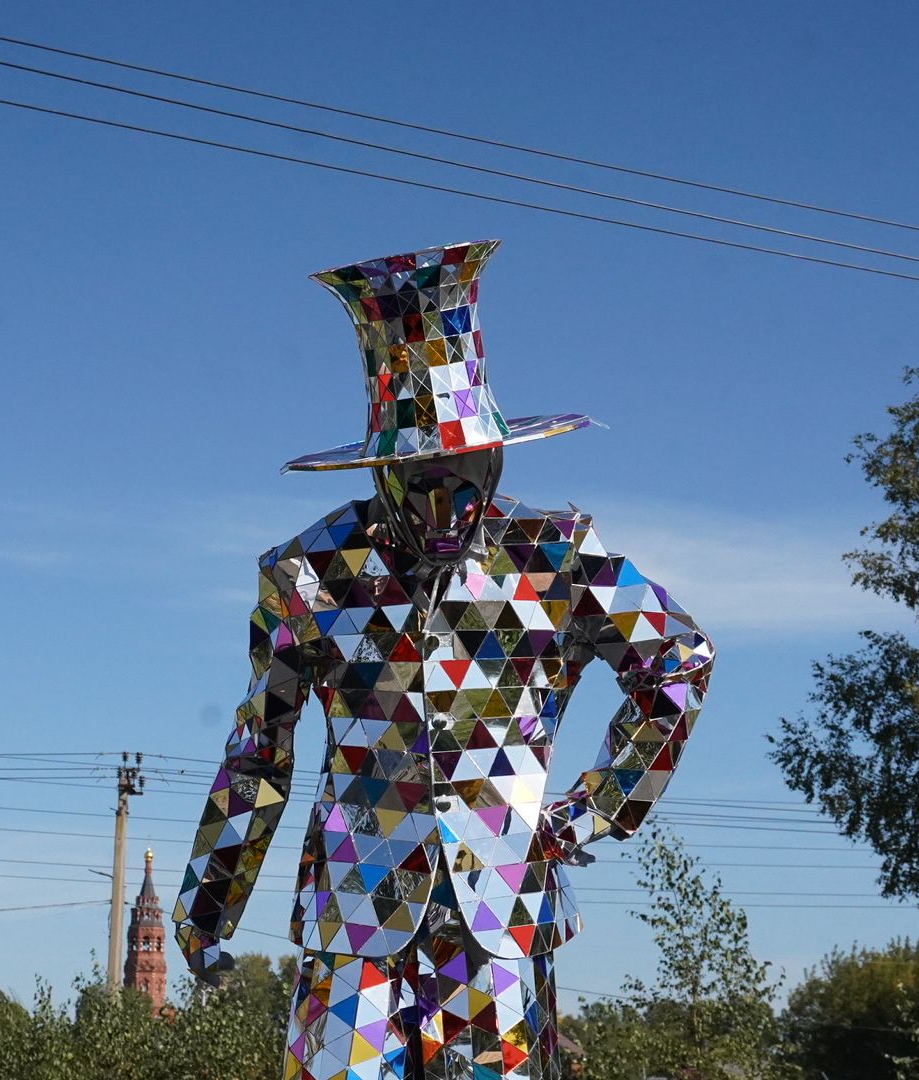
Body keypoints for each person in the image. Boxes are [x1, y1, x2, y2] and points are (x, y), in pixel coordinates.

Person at [173, 240, 713, 1079]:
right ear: (382, 466)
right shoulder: (310, 574)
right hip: (354, 918)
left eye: (462, 471)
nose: (442, 501)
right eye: (419, 474)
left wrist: (591, 809)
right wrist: (206, 905)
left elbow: (679, 662)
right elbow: (259, 750)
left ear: (494, 455)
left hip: (498, 921)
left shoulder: (557, 555)